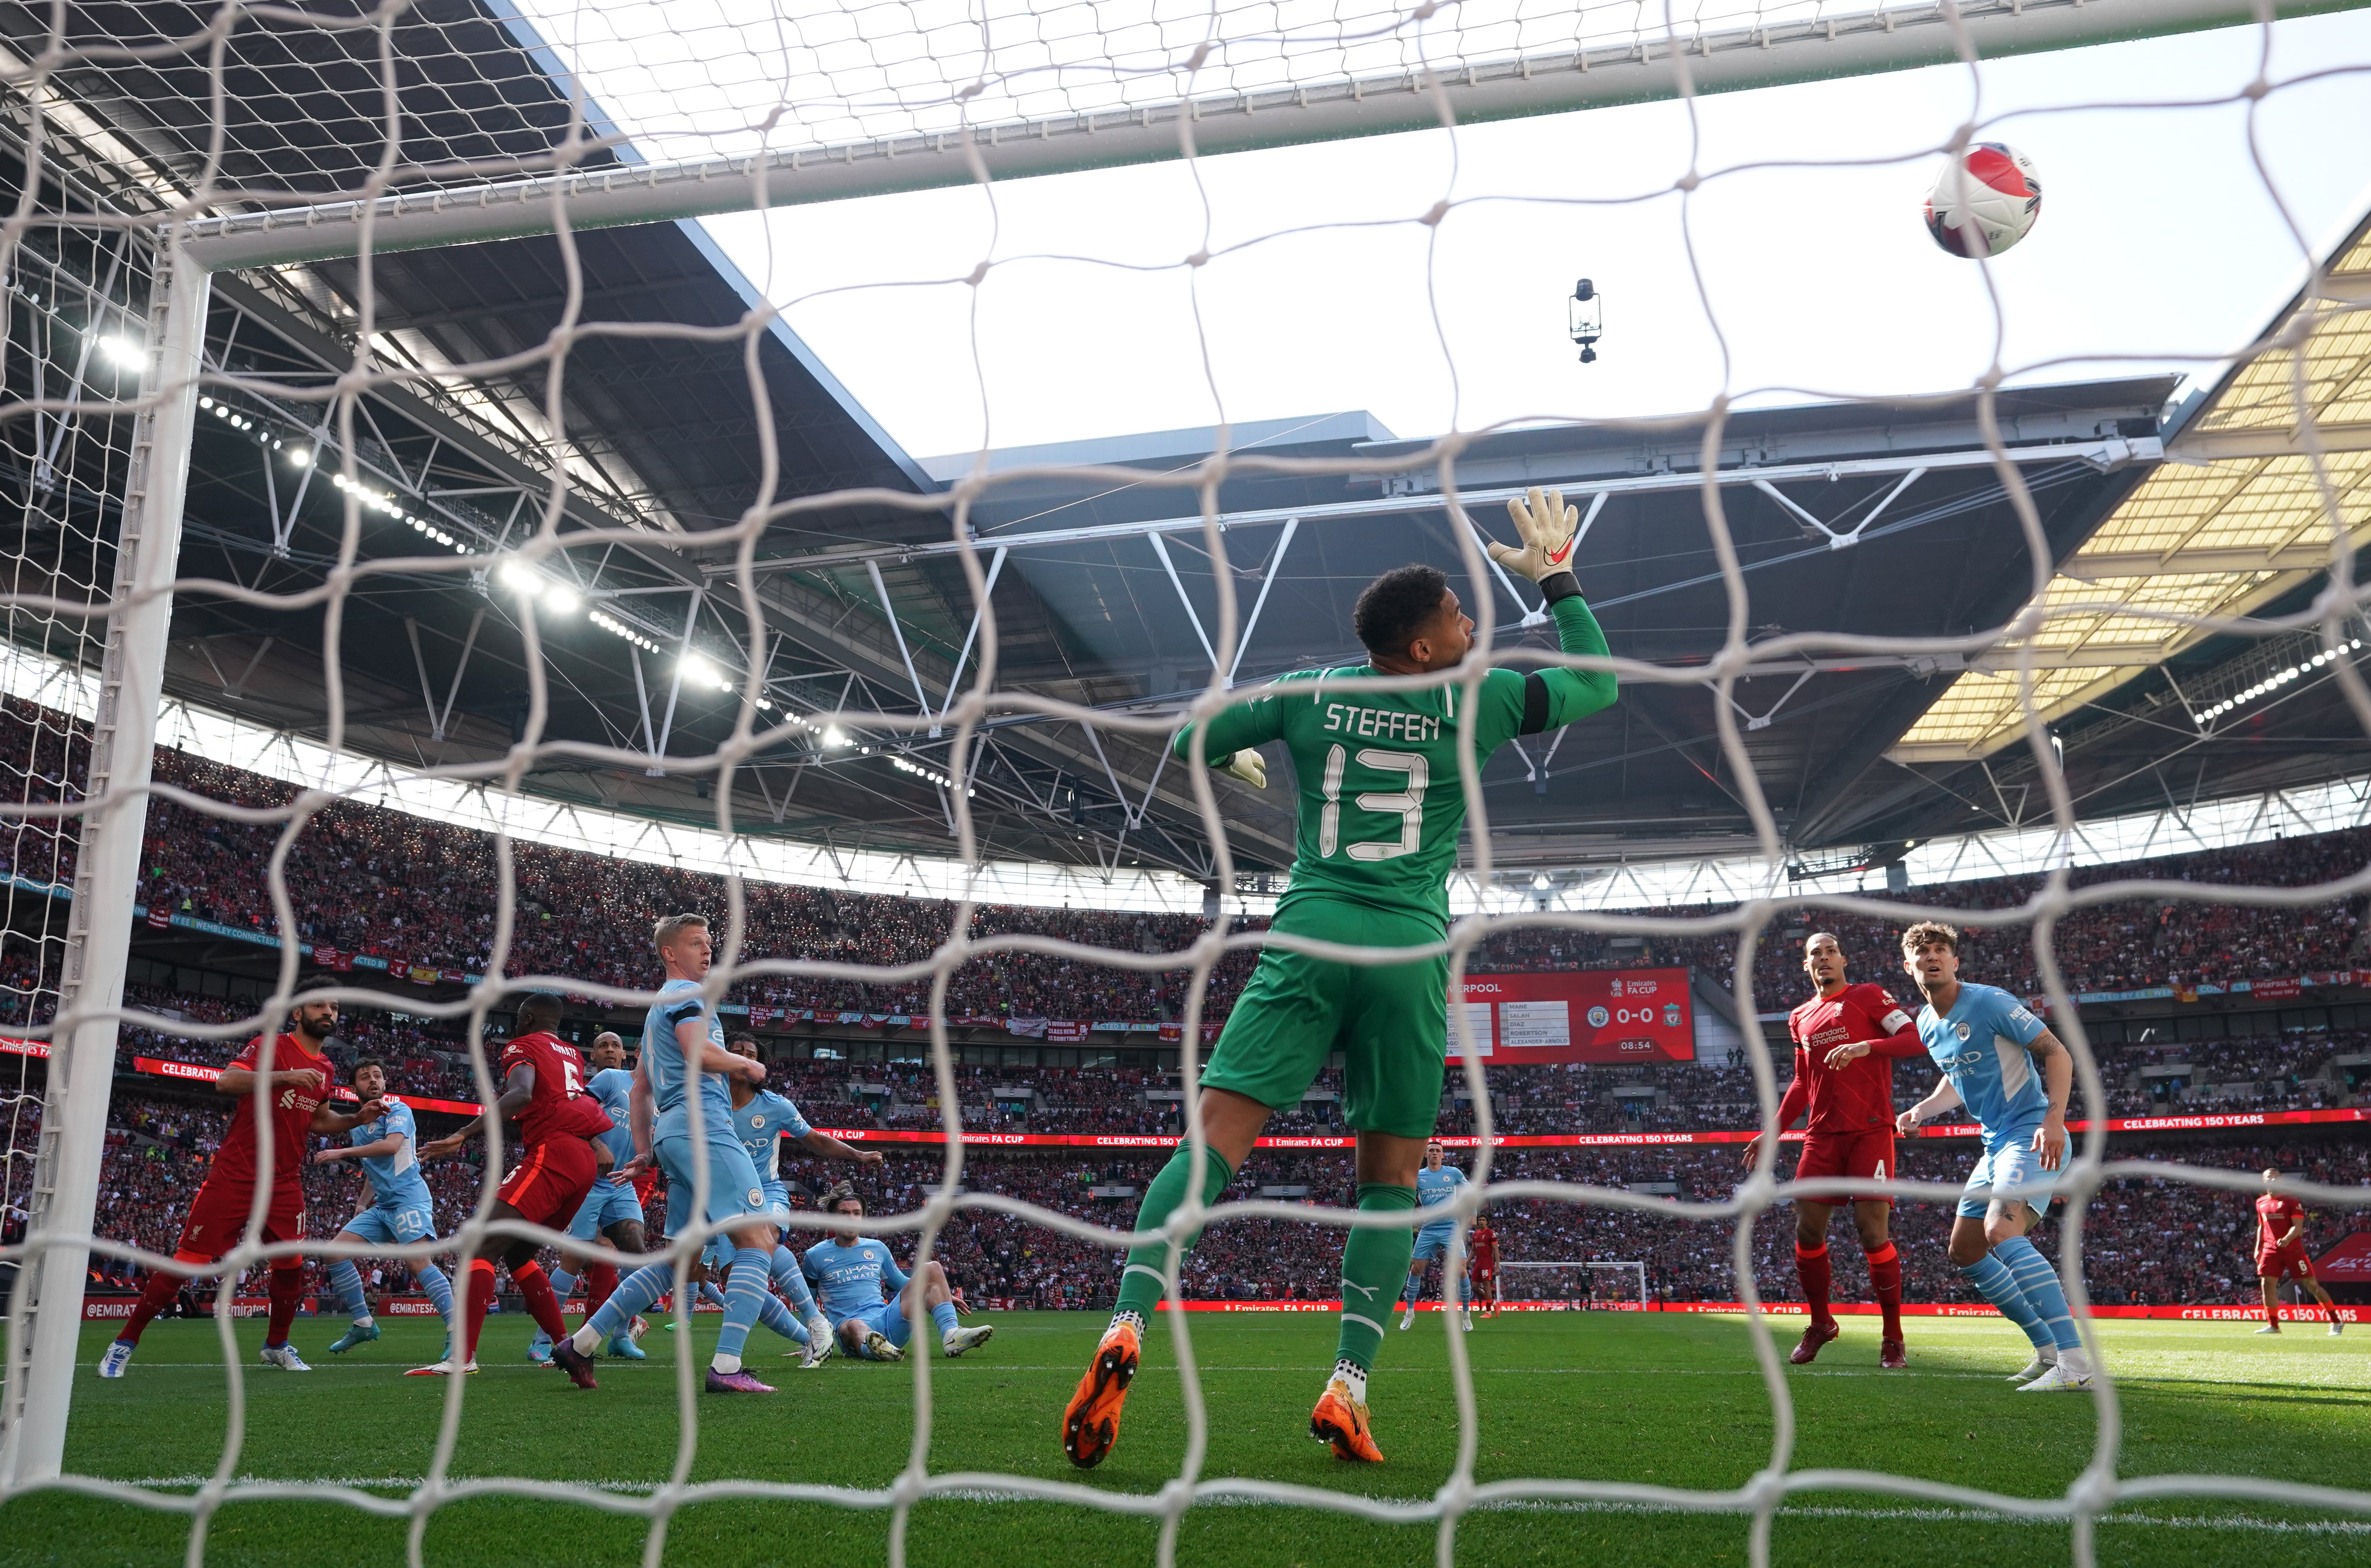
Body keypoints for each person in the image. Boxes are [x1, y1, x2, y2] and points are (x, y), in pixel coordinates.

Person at [1060, 489, 1618, 1469]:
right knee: (1389, 1182)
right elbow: (1599, 684)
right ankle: (1347, 1387)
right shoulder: (1479, 699)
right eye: (1455, 615)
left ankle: (1129, 1323)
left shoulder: (1311, 689)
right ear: (1419, 652)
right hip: (1405, 954)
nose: (1470, 623)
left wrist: (1236, 756)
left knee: (1214, 1144)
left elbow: (1192, 734)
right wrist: (1557, 579)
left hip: (1308, 937)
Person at [556, 914, 785, 1394]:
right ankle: (726, 1367)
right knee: (759, 1239)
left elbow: (640, 1090)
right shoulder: (687, 996)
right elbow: (699, 1052)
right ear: (669, 953)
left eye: (710, 943)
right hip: (705, 1128)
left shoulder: (658, 1008)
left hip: (674, 1134)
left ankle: (581, 1343)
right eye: (697, 944)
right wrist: (748, 1062)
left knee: (682, 1259)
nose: (708, 951)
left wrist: (644, 1150)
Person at [98, 1000, 384, 1378]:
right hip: (237, 1173)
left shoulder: (326, 1068)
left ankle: (277, 1346)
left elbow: (317, 1120)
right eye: (319, 1006)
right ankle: (123, 1344)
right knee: (187, 1263)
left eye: (334, 1007)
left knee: (291, 1266)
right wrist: (284, 1077)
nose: (328, 1012)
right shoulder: (271, 1046)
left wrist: (354, 1119)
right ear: (297, 1013)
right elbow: (226, 1081)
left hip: (285, 1180)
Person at [1895, 921, 2093, 1392]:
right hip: (1994, 1144)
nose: (1932, 957)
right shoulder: (1925, 1022)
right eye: (1922, 953)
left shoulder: (1989, 1001)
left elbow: (2057, 1052)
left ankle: (2077, 1365)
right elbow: (1956, 1077)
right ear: (1909, 967)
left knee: (2000, 1230)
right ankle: (2047, 1352)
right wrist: (1924, 1108)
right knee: (1965, 1250)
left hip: (2030, 1131)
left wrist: (2055, 1120)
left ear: (1956, 961)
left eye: (1941, 950)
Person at [1743, 932, 1923, 1369]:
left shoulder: (1869, 997)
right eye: (1815, 955)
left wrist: (1866, 1046)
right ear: (1807, 966)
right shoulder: (1800, 1016)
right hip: (1821, 1137)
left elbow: (1917, 1040)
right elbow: (1803, 1081)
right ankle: (1821, 1323)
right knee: (1806, 1231)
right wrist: (1773, 1132)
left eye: (1830, 952)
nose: (1823, 959)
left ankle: (1893, 1337)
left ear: (1843, 959)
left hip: (1870, 1131)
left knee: (1871, 1233)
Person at [415, 993, 615, 1382]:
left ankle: (462, 1358)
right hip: (581, 1163)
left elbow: (522, 1093)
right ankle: (567, 1350)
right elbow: (568, 1101)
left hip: (552, 1153)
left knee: (481, 1245)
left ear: (526, 1018)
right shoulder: (572, 1053)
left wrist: (464, 1133)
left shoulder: (522, 1045)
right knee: (519, 1253)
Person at [310, 1058, 459, 1364]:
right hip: (384, 1205)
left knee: (418, 1263)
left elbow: (391, 1148)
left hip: (410, 1199)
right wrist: (363, 1202)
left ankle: (458, 1333)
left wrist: (341, 1152)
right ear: (354, 1089)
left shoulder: (397, 1110)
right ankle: (364, 1324)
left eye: (378, 1075)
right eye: (366, 1078)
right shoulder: (360, 1124)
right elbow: (372, 1168)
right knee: (334, 1252)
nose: (373, 1081)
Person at [529, 1033, 647, 1365]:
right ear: (636, 1054)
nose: (609, 1050)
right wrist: (598, 1144)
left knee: (637, 1254)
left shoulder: (658, 1097)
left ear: (625, 1053)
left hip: (621, 1183)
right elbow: (574, 1111)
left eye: (614, 1046)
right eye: (603, 1045)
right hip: (587, 1180)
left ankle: (621, 1337)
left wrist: (644, 1161)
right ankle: (544, 1340)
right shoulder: (611, 1080)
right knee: (574, 1259)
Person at [800, 1189, 990, 1361]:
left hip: (888, 1318)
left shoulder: (877, 1248)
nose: (851, 1218)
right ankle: (874, 1349)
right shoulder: (815, 1256)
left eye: (856, 1213)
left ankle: (952, 1335)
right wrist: (809, 1343)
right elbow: (807, 1304)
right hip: (849, 1327)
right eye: (845, 1213)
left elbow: (902, 1283)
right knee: (855, 1325)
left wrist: (945, 1296)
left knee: (931, 1267)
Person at [2253, 1169, 2343, 1336]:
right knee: (2267, 1285)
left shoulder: (2291, 1201)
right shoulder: (2261, 1202)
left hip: (2292, 1250)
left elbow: (2298, 1227)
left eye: (2276, 1177)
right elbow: (2262, 1226)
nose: (2273, 1180)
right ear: (2264, 1181)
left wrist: (2287, 1239)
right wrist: (2259, 1247)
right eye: (2269, 1178)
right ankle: (2274, 1326)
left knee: (2312, 1285)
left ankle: (2336, 1321)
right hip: (2270, 1249)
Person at [1398, 1141, 1472, 1332]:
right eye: (1431, 1151)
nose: (1435, 1154)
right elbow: (1406, 1196)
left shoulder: (1453, 1173)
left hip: (1451, 1228)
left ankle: (1466, 1314)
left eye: (1438, 1151)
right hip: (1429, 1229)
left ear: (1443, 1155)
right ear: (1426, 1154)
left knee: (1461, 1270)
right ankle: (1410, 1313)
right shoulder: (1418, 1176)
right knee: (1416, 1269)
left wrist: (1473, 1213)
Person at [1468, 1217, 1501, 1318]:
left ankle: (1488, 1312)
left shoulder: (1491, 1233)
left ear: (1487, 1222)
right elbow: (1473, 1250)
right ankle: (1494, 1304)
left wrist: (1497, 1266)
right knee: (1474, 1287)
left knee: (1487, 1286)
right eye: (1480, 1220)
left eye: (1483, 1220)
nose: (1481, 1222)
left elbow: (1496, 1250)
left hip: (1487, 1263)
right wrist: (1467, 1262)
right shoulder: (1476, 1234)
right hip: (1478, 1263)